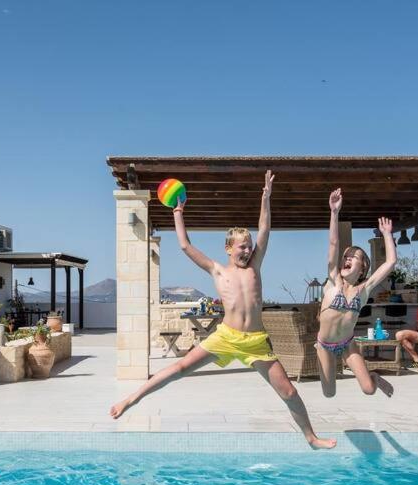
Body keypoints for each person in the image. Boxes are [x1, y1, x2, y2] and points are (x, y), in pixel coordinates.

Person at [110, 171, 337, 450]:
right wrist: (178, 212)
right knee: (180, 367)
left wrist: (266, 198)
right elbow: (184, 245)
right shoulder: (217, 270)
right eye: (243, 246)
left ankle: (311, 437)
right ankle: (132, 398)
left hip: (255, 341)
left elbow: (265, 230)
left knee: (289, 391)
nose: (248, 250)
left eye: (250, 246)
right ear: (229, 248)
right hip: (226, 336)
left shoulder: (255, 266)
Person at [314, 189, 397, 398]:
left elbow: (390, 262)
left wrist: (387, 235)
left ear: (363, 267)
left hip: (348, 343)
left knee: (369, 390)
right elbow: (333, 244)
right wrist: (334, 212)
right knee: (329, 393)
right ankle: (354, 374)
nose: (347, 258)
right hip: (324, 345)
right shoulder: (333, 281)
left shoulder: (364, 289)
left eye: (354, 256)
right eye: (346, 256)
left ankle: (374, 377)